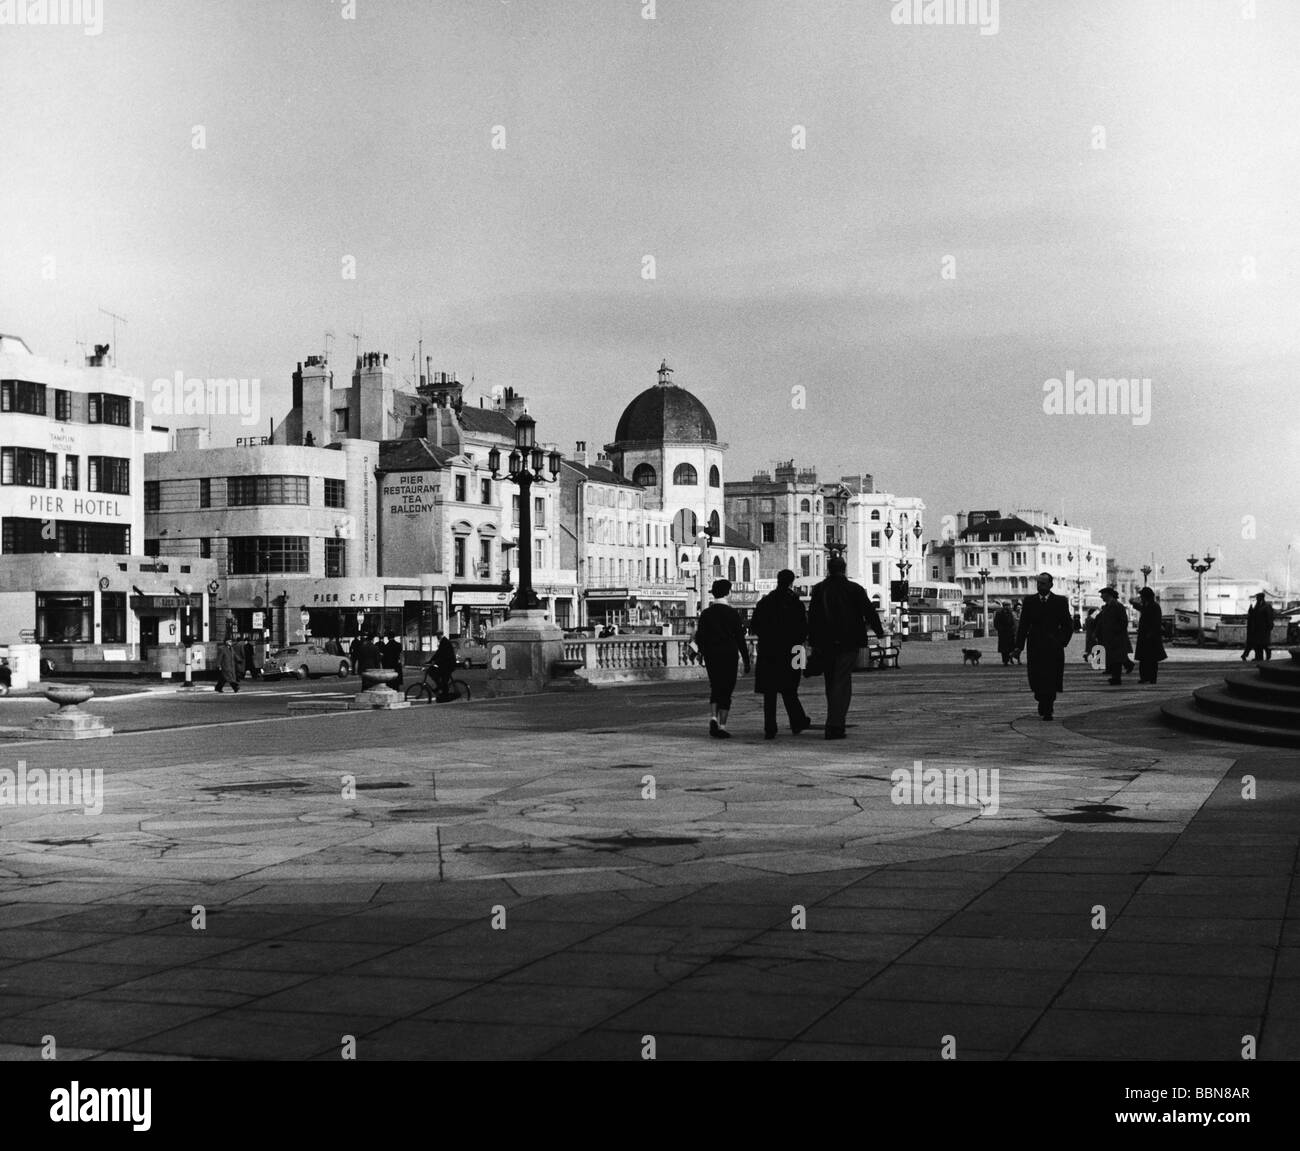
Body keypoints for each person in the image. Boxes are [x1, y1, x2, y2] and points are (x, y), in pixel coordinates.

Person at [807, 555, 884, 740]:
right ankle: (835, 724)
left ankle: (833, 721)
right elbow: (869, 611)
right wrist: (879, 631)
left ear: (828, 568)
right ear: (844, 568)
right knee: (842, 682)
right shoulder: (854, 589)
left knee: (830, 682)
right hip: (849, 641)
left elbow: (813, 617)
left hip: (825, 643)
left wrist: (812, 640)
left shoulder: (819, 589)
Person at [749, 569, 812, 739]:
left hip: (768, 650)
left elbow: (755, 624)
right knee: (790, 689)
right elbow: (803, 629)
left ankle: (770, 727)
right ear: (792, 582)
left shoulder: (766, 602)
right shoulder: (795, 603)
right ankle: (797, 721)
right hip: (791, 650)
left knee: (769, 692)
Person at [694, 578, 750, 738]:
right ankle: (722, 726)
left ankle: (713, 717)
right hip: (729, 655)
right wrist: (746, 660)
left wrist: (702, 653)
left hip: (712, 655)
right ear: (728, 593)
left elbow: (700, 637)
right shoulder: (732, 613)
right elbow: (740, 638)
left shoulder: (706, 613)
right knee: (727, 689)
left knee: (715, 686)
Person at [1013, 571, 1073, 719]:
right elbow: (1024, 625)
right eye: (1039, 583)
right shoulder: (1030, 601)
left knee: (1052, 677)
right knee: (1036, 677)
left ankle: (1048, 707)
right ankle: (1041, 698)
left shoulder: (1060, 601)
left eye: (1043, 583)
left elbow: (1067, 625)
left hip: (1054, 646)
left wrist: (1061, 641)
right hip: (1035, 645)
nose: (1040, 586)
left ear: (1051, 585)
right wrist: (1018, 646)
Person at [1094, 586, 1132, 686]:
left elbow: (1123, 621)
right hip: (1109, 637)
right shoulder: (1107, 606)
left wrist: (1116, 632)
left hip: (1116, 637)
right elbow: (1101, 621)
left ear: (1108, 595)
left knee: (1116, 659)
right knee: (1114, 658)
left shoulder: (1117, 606)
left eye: (1102, 594)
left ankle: (1116, 678)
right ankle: (1120, 672)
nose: (1101, 596)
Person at [1134, 587, 1167, 683]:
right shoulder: (1147, 605)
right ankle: (1144, 677)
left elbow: (1156, 622)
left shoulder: (1154, 606)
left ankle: (1152, 678)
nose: (1141, 598)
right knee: (1144, 659)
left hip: (1151, 637)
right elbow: (1140, 608)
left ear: (1146, 597)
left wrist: (1151, 633)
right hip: (1145, 636)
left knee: (1152, 659)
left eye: (1142, 596)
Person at [1243, 592, 1275, 662]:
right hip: (1256, 629)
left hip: (1264, 629)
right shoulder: (1256, 605)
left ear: (1262, 598)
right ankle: (1258, 658)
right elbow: (1252, 615)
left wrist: (1269, 626)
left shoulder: (1267, 606)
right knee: (1257, 644)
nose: (1257, 599)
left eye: (1258, 597)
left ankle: (1268, 654)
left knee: (1264, 644)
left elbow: (1269, 617)